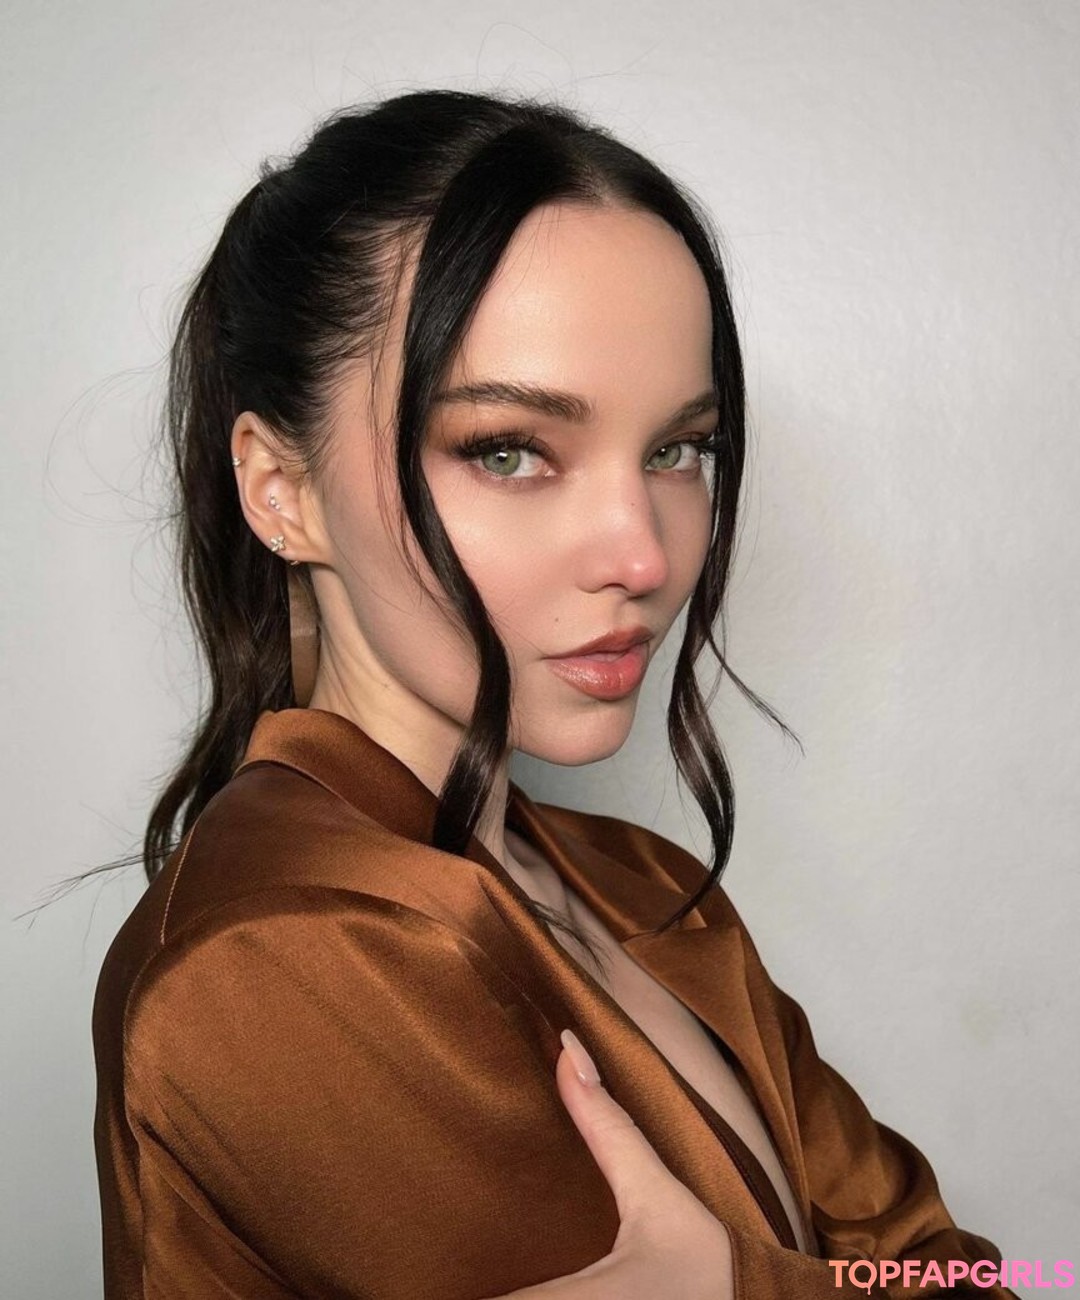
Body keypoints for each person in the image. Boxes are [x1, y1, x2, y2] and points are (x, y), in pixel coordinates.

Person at [91, 87, 1018, 1299]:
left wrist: (737, 1281)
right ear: (282, 490)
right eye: (509, 450)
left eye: (678, 448)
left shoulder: (643, 888)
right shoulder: (278, 955)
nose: (642, 554)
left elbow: (956, 1273)